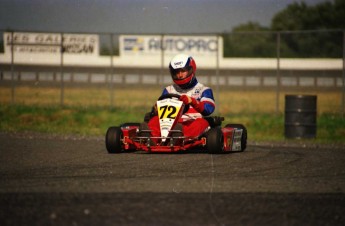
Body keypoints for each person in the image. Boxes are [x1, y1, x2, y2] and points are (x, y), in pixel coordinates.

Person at [144, 53, 215, 139]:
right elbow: (161, 112)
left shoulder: (203, 90)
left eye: (183, 71)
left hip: (192, 123)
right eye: (176, 72)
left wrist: (192, 101)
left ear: (191, 70)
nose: (180, 75)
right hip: (170, 125)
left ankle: (180, 136)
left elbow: (208, 109)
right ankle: (150, 138)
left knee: (201, 122)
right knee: (154, 120)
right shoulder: (169, 90)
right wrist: (156, 110)